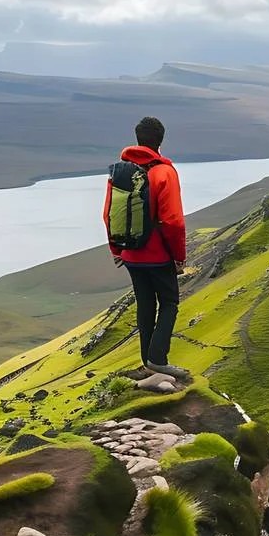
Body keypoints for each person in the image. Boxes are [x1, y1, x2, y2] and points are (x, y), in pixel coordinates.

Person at [105, 116, 188, 378]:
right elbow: (173, 222)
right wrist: (178, 256)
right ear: (160, 142)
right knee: (169, 302)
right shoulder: (164, 172)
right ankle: (157, 359)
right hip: (158, 255)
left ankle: (147, 360)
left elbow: (108, 214)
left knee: (144, 303)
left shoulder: (121, 172)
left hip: (130, 253)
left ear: (138, 138)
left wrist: (117, 250)